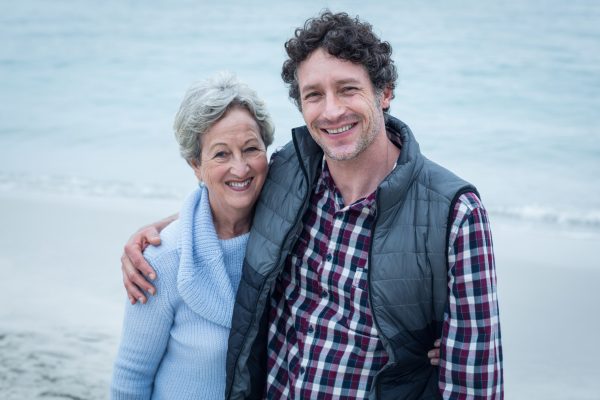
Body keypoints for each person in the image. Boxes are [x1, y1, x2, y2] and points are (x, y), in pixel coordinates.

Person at [122, 11, 503, 399]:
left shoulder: (456, 215)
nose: (332, 110)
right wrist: (157, 235)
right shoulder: (289, 174)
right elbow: (229, 192)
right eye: (314, 95)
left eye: (348, 89)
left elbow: (475, 385)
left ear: (384, 92)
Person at [111, 72, 274, 399]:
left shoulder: (287, 234)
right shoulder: (161, 260)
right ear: (195, 165)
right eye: (221, 154)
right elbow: (131, 377)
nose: (240, 168)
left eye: (251, 148)